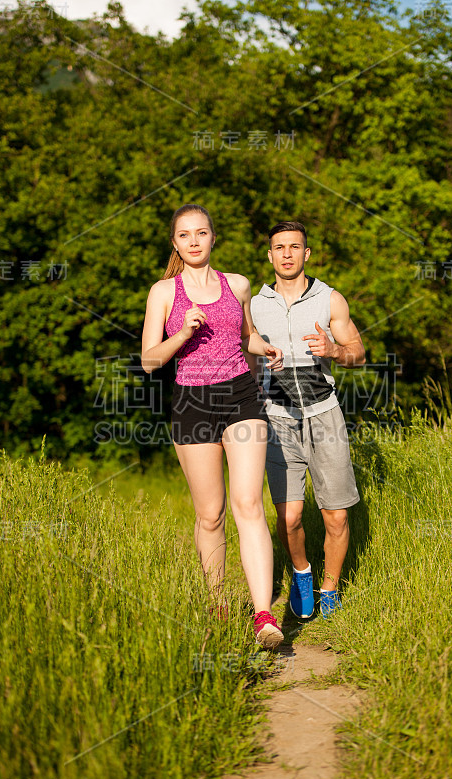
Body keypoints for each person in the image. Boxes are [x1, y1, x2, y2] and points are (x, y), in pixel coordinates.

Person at [141, 203, 285, 648]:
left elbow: (244, 338)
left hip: (240, 395)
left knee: (249, 504)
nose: (194, 241)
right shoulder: (163, 292)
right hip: (192, 401)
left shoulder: (237, 284)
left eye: (201, 233)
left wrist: (269, 349)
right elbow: (149, 361)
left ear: (213, 237)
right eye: (185, 236)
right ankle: (219, 604)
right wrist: (182, 333)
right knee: (211, 514)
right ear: (176, 244)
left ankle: (264, 615)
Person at [249, 221, 366, 619]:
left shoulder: (329, 298)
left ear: (306, 254)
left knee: (336, 515)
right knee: (290, 515)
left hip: (324, 416)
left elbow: (358, 352)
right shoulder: (254, 304)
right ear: (270, 255)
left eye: (294, 247)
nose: (286, 254)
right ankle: (301, 573)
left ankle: (329, 590)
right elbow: (243, 362)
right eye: (279, 247)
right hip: (277, 418)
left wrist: (333, 349)